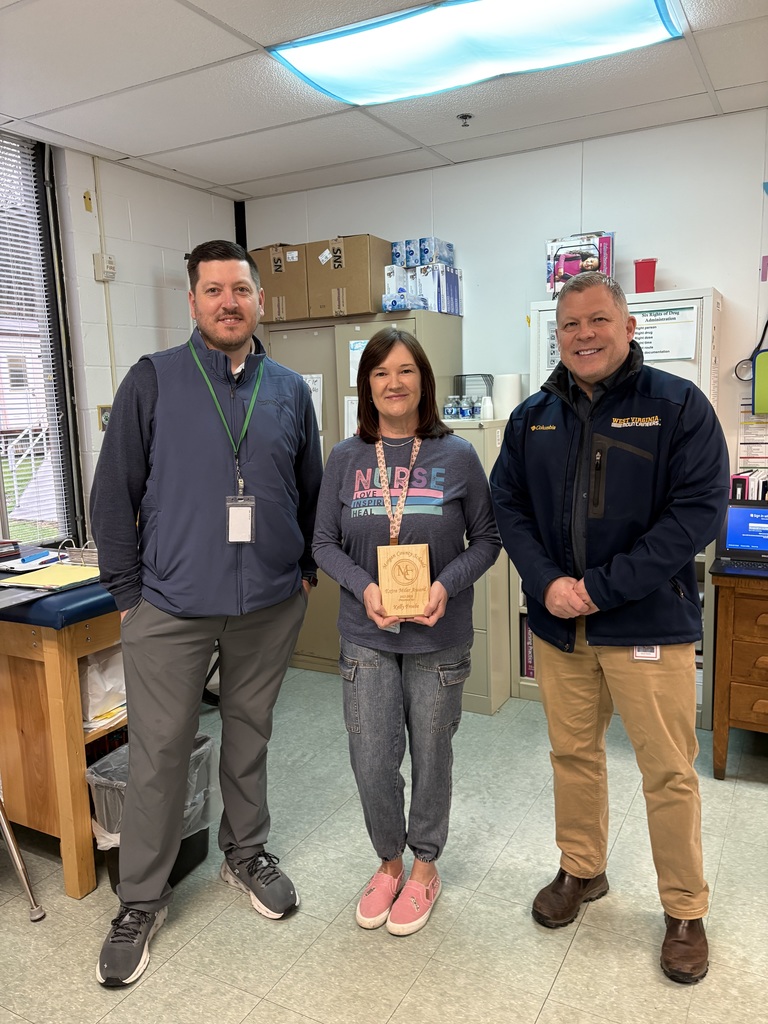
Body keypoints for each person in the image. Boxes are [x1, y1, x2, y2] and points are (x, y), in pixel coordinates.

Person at [90, 239, 322, 986]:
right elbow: (112, 494)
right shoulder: (153, 380)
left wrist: (304, 572)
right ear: (191, 302)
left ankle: (245, 853)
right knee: (159, 752)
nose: (229, 302)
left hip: (268, 605)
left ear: (259, 300)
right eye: (214, 290)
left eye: (241, 290)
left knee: (250, 734)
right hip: (170, 604)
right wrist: (128, 596)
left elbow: (311, 488)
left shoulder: (288, 389)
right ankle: (140, 899)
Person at [490, 272, 728, 984]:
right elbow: (508, 505)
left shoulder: (677, 406)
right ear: (557, 336)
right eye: (570, 325)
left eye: (598, 320)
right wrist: (546, 583)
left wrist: (599, 588)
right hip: (561, 628)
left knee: (667, 771)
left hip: (647, 622)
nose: (584, 335)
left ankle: (684, 909)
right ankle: (581, 868)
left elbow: (696, 513)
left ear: (628, 328)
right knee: (573, 755)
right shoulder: (532, 416)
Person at [313, 327, 500, 936]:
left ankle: (424, 867)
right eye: (380, 373)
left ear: (423, 380)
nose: (393, 383)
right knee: (371, 757)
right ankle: (388, 861)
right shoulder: (345, 458)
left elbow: (488, 540)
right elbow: (323, 543)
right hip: (366, 633)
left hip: (436, 637)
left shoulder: (458, 455)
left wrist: (445, 584)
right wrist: (364, 589)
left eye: (405, 371)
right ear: (366, 385)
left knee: (431, 755)